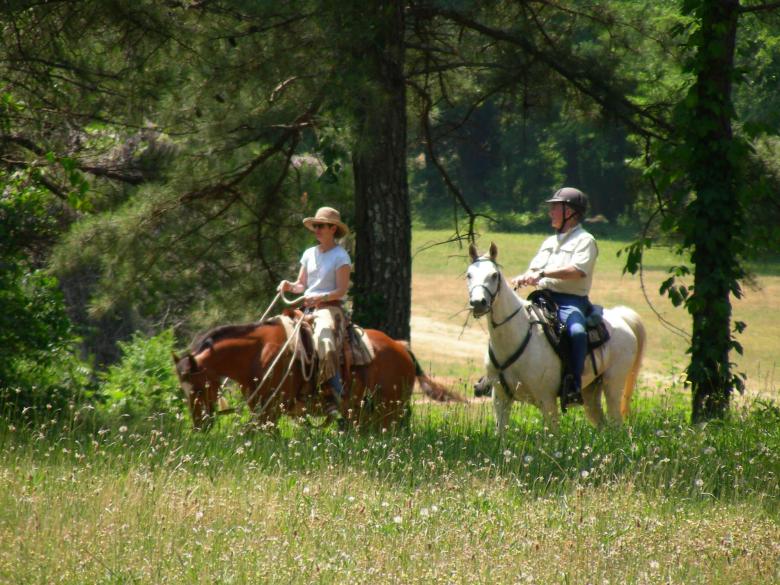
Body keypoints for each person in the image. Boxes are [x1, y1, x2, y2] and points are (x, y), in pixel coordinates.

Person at [510, 187, 597, 408]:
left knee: (577, 332)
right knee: (510, 321)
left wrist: (543, 274)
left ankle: (574, 386)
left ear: (570, 212)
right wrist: (525, 277)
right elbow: (535, 269)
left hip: (570, 301)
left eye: (555, 207)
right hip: (542, 298)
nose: (550, 212)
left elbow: (577, 270)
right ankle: (496, 375)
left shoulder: (585, 240)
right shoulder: (549, 241)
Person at [277, 206, 351, 419]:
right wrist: (289, 286)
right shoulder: (309, 253)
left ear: (333, 229)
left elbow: (341, 290)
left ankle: (332, 393)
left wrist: (321, 297)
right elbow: (301, 284)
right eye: (315, 225)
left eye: (321, 226)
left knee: (324, 342)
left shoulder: (341, 256)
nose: (316, 229)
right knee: (276, 331)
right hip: (305, 307)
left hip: (329, 308)